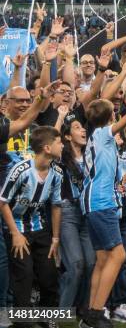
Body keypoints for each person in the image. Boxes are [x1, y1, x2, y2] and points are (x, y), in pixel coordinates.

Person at [79, 67, 126, 328]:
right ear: (110, 117)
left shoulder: (99, 137)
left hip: (94, 201)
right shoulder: (102, 133)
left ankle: (91, 311)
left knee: (102, 259)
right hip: (100, 202)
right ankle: (98, 311)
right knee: (119, 256)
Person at [0, 126, 63, 314]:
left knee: (49, 275)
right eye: (59, 143)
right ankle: (23, 322)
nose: (63, 146)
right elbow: (3, 202)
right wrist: (15, 234)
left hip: (40, 228)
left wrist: (55, 239)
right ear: (47, 148)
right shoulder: (21, 170)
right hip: (17, 228)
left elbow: (56, 205)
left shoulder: (57, 173)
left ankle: (47, 316)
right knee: (24, 275)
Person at [58, 115, 96, 313]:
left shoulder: (92, 156)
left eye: (84, 128)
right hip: (68, 213)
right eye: (77, 127)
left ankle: (84, 311)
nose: (83, 131)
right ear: (67, 136)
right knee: (76, 265)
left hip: (88, 213)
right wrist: (59, 116)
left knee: (91, 264)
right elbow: (50, 141)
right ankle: (58, 314)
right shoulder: (60, 158)